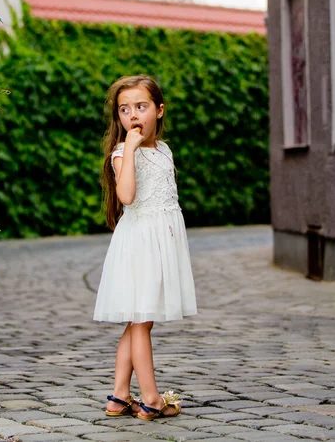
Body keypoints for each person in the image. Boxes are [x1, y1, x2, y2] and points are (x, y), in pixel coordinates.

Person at [93, 74, 197, 420]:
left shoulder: (163, 150)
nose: (133, 115)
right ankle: (151, 398)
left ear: (159, 110)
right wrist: (132, 150)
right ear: (118, 118)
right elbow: (127, 196)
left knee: (140, 321)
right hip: (140, 244)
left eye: (141, 106)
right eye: (125, 109)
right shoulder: (123, 153)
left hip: (160, 241)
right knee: (141, 321)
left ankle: (119, 396)